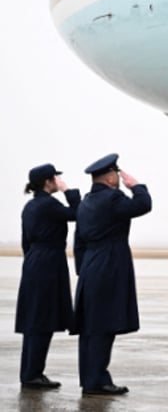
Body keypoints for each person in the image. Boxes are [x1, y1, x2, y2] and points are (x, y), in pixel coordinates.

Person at [73, 153, 152, 396]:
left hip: (90, 266)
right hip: (109, 266)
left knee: (90, 328)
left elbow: (78, 242)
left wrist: (83, 270)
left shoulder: (86, 202)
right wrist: (137, 186)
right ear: (109, 178)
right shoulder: (112, 198)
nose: (118, 179)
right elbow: (143, 205)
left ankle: (90, 378)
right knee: (103, 327)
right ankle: (98, 381)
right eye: (116, 175)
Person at [15, 163, 79, 390]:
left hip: (34, 260)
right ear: (48, 182)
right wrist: (68, 190)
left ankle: (30, 372)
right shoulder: (48, 205)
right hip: (49, 261)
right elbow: (78, 212)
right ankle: (33, 374)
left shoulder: (31, 206)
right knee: (42, 319)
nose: (58, 181)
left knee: (34, 320)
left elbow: (25, 242)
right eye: (55, 178)